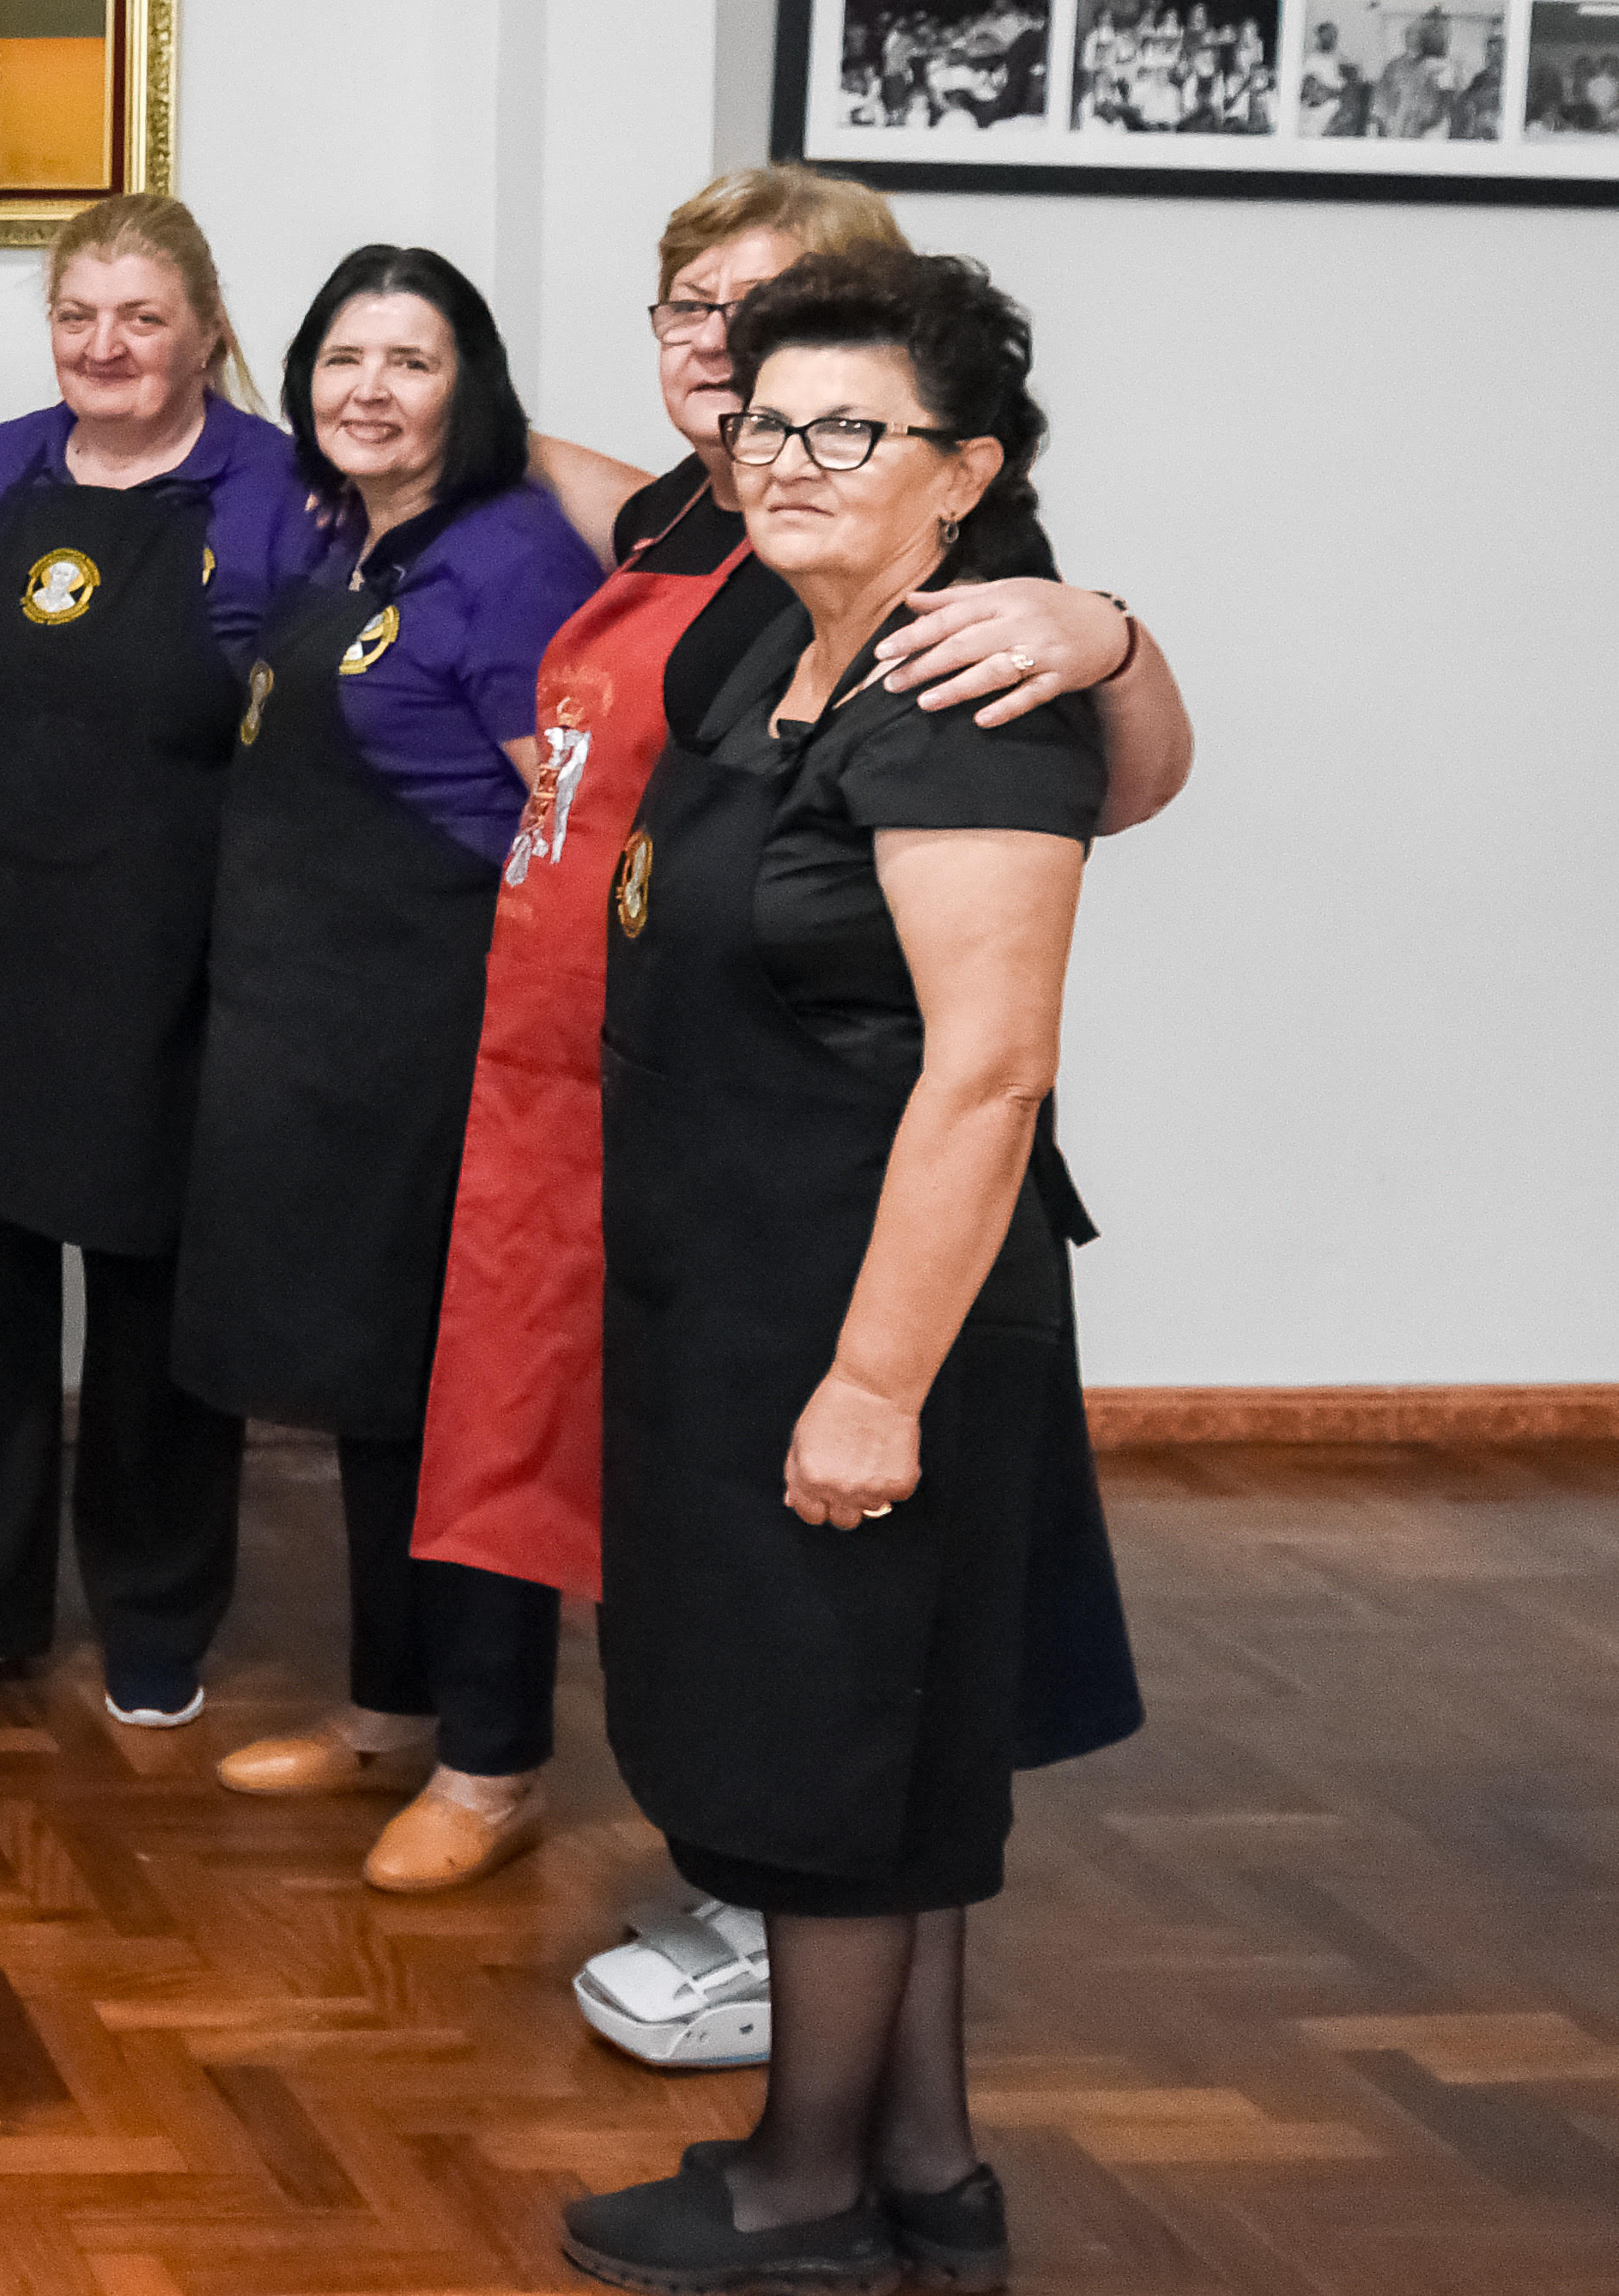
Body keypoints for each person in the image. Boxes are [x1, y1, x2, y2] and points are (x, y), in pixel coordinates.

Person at [409, 166, 1193, 2066]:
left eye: (791, 360)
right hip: (715, 1201)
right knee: (753, 1652)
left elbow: (1005, 1026)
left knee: (849, 1687)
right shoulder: (741, 573)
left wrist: (1107, 630)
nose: (739, 382)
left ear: (951, 455)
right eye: (700, 325)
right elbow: (565, 466)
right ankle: (862, 2097)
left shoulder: (967, 631)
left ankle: (814, 2095)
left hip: (862, 1235)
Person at [564, 249, 1123, 2296]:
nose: (787, 459)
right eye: (765, 421)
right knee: (870, 1747)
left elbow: (986, 1075)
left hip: (872, 1309)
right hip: (730, 1282)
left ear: (961, 474)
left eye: (848, 430)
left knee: (836, 1749)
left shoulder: (968, 703)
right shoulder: (768, 650)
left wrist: (873, 1384)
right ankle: (924, 2170)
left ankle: (802, 2193)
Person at [0, 195, 318, 1724]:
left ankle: (155, 1616)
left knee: (154, 1298)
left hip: (157, 954)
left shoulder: (272, 489)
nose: (102, 347)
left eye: (139, 318)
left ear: (205, 332)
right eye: (76, 317)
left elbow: (307, 735)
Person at [166, 248, 602, 1890]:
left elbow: (559, 823)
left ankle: (495, 1762)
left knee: (468, 1401)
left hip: (443, 1048)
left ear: (468, 389)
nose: (369, 389)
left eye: (410, 361)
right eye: (343, 357)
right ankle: (391, 1709)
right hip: (313, 1042)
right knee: (374, 1387)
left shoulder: (511, 559)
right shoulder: (339, 538)